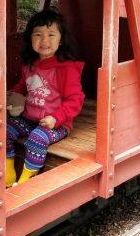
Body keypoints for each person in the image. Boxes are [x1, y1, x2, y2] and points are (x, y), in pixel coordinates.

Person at [5, 10, 84, 186]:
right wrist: (13, 96)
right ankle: (8, 171)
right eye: (38, 34)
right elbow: (23, 86)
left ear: (61, 39)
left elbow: (75, 99)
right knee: (4, 130)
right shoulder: (30, 64)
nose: (44, 40)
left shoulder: (66, 69)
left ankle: (27, 179)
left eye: (51, 34)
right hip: (29, 118)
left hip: (56, 124)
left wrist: (55, 118)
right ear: (30, 38)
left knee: (37, 138)